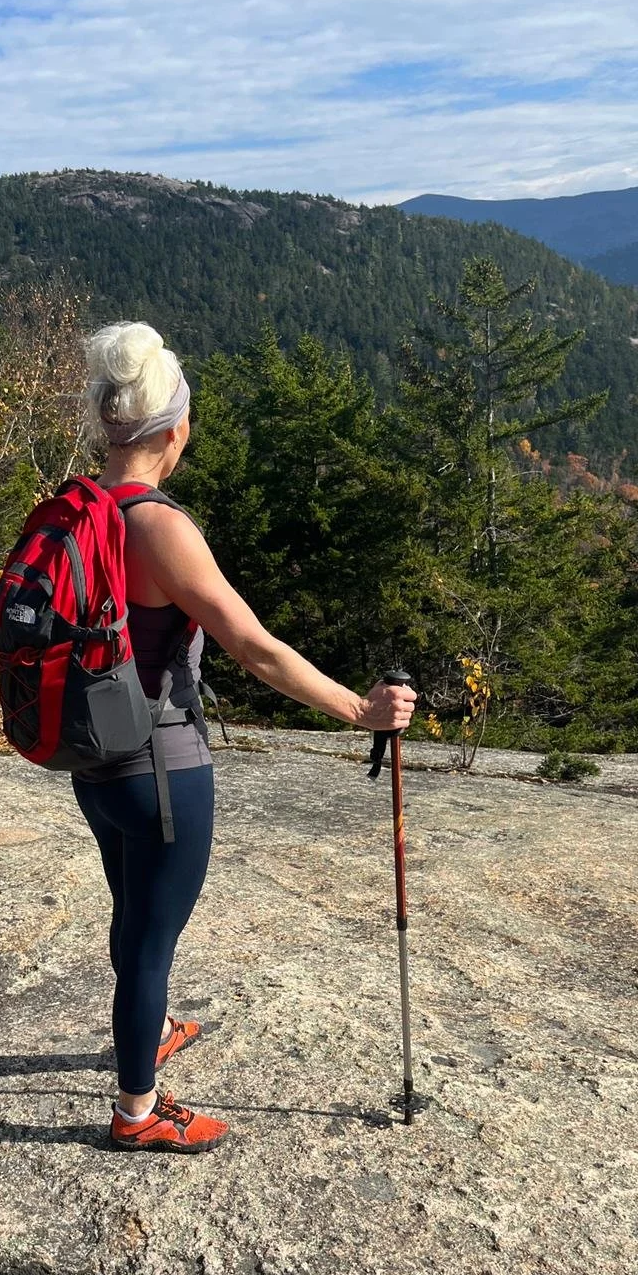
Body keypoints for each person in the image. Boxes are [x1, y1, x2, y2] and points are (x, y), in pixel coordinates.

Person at [75, 321, 417, 1156]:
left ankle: (142, 1031)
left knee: (133, 910)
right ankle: (137, 1111)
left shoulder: (77, 506)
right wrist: (359, 711)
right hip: (162, 764)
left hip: (94, 758)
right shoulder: (160, 526)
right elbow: (255, 647)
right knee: (152, 935)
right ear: (175, 429)